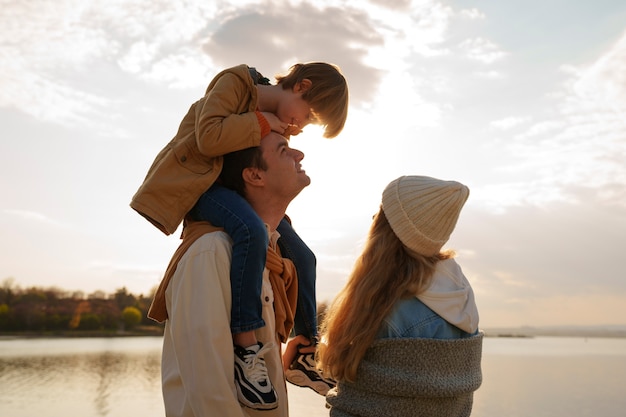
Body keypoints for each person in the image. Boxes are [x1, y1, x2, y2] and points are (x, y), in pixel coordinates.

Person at [131, 63, 348, 404]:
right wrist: (263, 123)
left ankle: (306, 347)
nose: (301, 129)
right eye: (308, 116)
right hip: (201, 190)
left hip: (234, 194)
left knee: (303, 256)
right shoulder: (237, 84)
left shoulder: (273, 118)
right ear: (302, 86)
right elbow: (208, 137)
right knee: (250, 231)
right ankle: (247, 346)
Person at [147, 132, 311, 416]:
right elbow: (210, 392)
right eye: (284, 149)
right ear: (255, 175)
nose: (299, 154)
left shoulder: (270, 256)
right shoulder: (211, 253)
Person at [318, 175, 483, 417]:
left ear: (387, 229)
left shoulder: (385, 308)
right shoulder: (459, 300)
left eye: (381, 211)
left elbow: (364, 396)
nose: (374, 217)